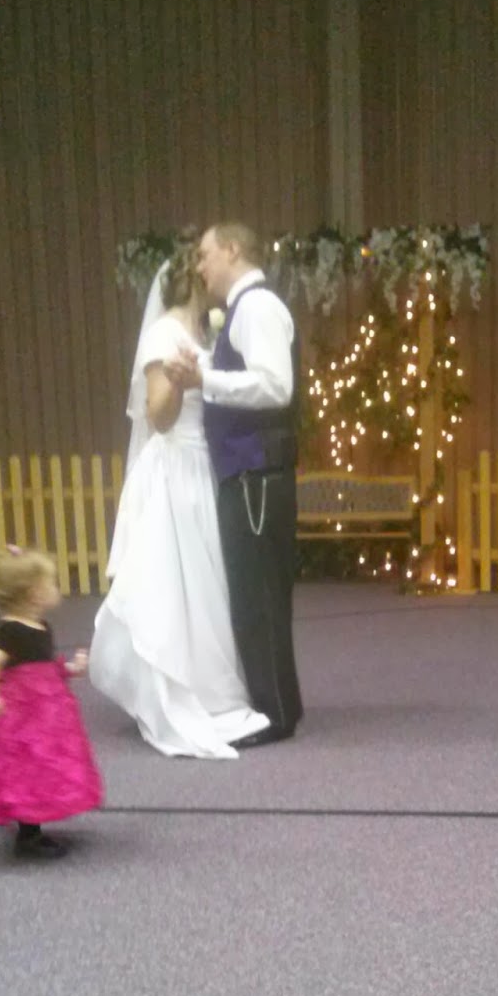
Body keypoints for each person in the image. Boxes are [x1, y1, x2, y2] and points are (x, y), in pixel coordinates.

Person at [88, 232, 272, 756]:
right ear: (193, 278)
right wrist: (176, 380)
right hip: (177, 472)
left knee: (212, 586)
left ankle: (218, 693)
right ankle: (193, 696)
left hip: (206, 469)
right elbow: (159, 417)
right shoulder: (164, 334)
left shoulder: (207, 331)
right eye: (206, 269)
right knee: (184, 586)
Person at [166, 220, 303, 747]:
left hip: (254, 472)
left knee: (257, 598)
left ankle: (274, 714)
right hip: (251, 472)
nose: (199, 266)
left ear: (231, 249)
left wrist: (204, 379)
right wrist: (203, 365)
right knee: (257, 595)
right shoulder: (247, 308)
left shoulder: (258, 307)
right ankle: (279, 704)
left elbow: (275, 386)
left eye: (205, 254)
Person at [0, 547, 102, 859]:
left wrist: (69, 669)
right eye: (51, 584)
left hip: (45, 714)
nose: (56, 590)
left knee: (40, 768)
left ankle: (25, 817)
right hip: (22, 718)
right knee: (25, 768)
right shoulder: (9, 631)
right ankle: (29, 835)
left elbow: (42, 666)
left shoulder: (40, 626)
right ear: (34, 594)